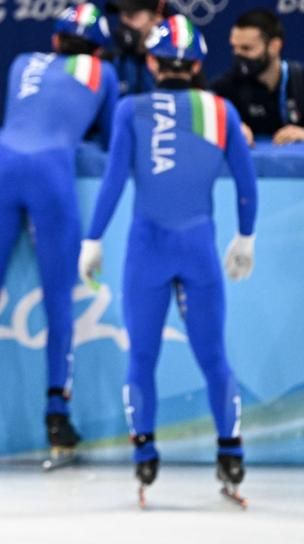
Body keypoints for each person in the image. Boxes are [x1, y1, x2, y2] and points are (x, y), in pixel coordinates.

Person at [79, 15, 257, 507]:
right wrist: (246, 236)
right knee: (214, 357)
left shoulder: (131, 110)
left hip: (148, 252)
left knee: (142, 357)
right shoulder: (220, 110)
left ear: (152, 63)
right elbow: (246, 183)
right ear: (198, 66)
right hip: (199, 250)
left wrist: (92, 238)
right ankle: (231, 451)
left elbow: (114, 181)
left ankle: (145, 454)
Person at [0, 4, 118, 462]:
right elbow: (109, 137)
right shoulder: (102, 72)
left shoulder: (23, 61)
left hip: (1, 167)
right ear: (98, 48)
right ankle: (57, 414)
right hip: (52, 174)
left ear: (56, 40)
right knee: (58, 301)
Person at [210, 9, 304, 147]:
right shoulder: (225, 87)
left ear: (274, 46)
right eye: (234, 48)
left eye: (246, 48)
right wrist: (229, 130)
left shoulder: (299, 79)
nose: (238, 55)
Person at [105, 0, 166, 96]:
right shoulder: (110, 60)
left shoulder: (171, 67)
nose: (123, 21)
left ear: (157, 18)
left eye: (131, 15)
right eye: (121, 13)